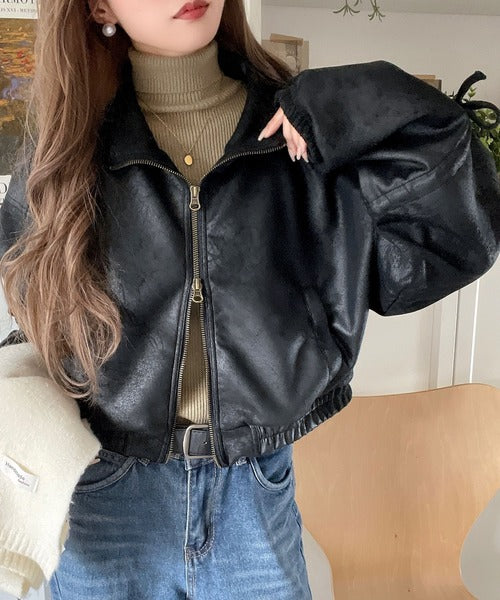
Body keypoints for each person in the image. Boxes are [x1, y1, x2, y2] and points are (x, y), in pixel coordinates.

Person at [0, 0, 498, 598]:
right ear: (100, 6)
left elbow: (455, 236)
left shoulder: (303, 132)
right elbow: (33, 311)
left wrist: (354, 104)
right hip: (105, 497)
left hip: (254, 492)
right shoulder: (66, 150)